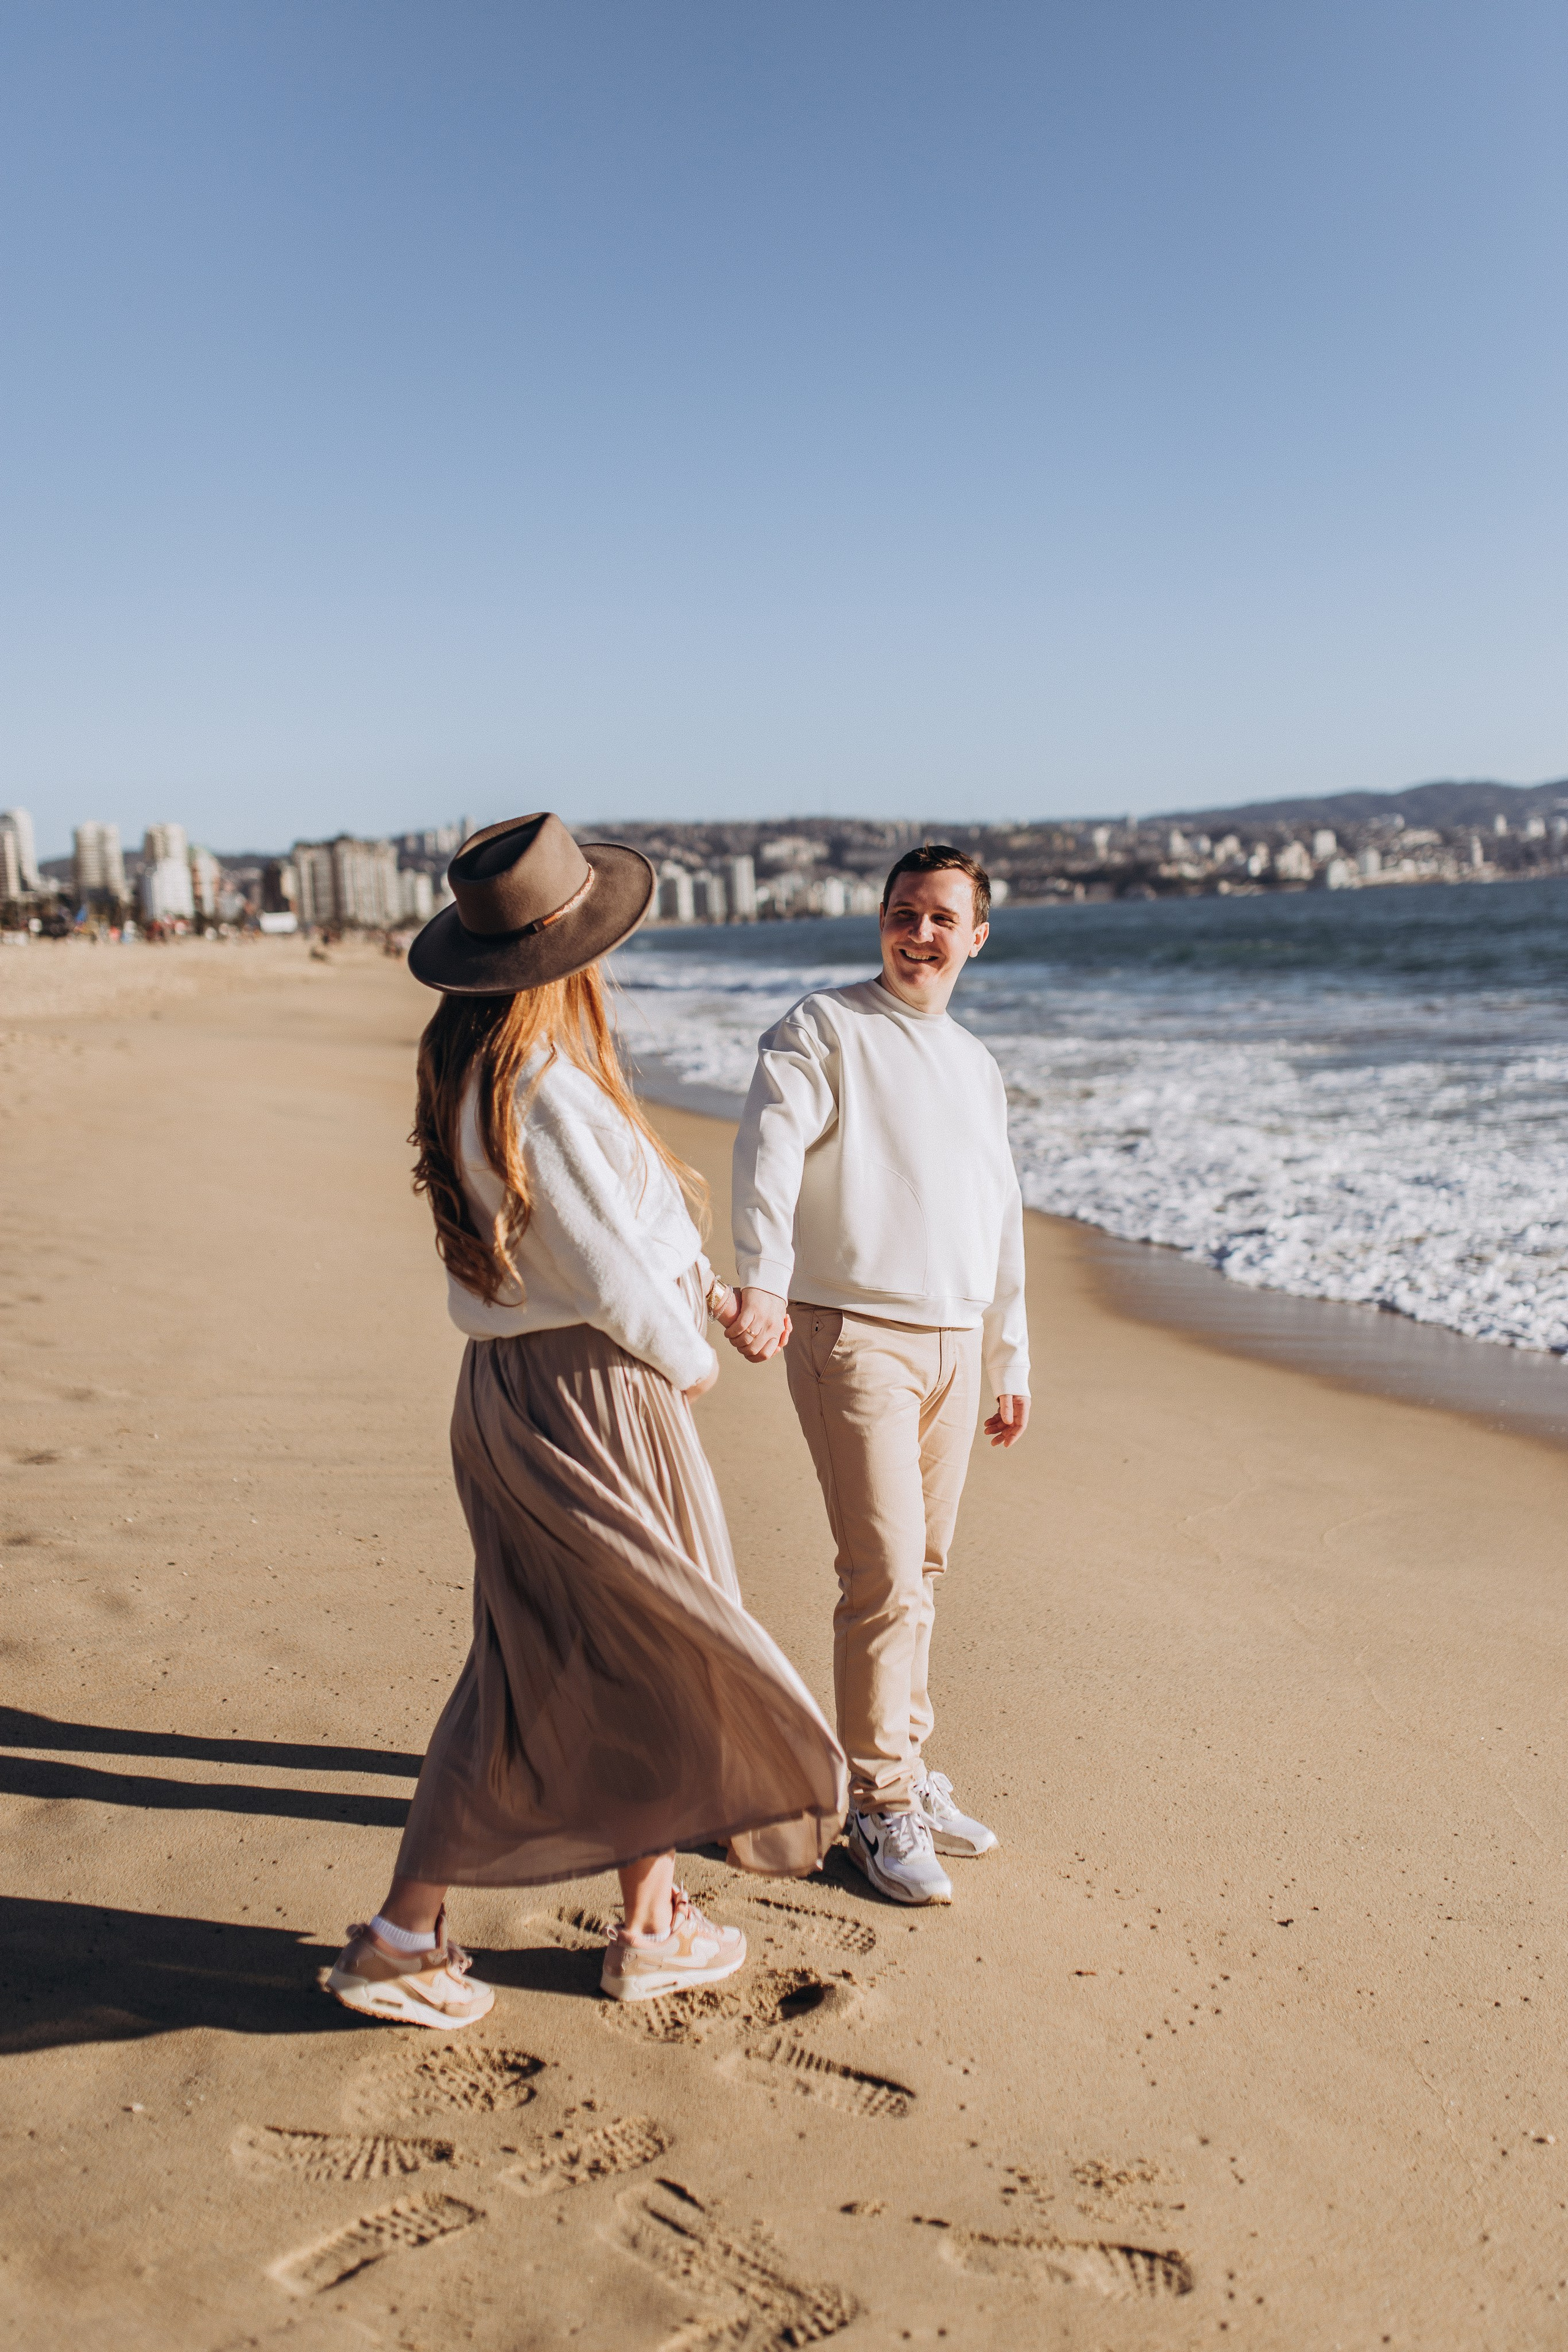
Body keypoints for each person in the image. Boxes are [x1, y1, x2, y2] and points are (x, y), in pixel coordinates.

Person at [325, 814, 846, 2029]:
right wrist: (688, 1356)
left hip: (520, 1390)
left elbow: (596, 1246)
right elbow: (608, 1271)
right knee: (650, 1651)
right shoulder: (542, 1086)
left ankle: (627, 1921)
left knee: (574, 1659)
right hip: (596, 1392)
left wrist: (701, 1291)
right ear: (564, 959)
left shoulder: (481, 1075)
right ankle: (426, 1935)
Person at [726, 844, 1029, 1907]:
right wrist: (761, 1279)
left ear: (977, 936)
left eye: (944, 917)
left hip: (952, 1341)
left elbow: (1001, 1215)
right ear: (883, 923)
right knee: (885, 1571)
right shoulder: (825, 1027)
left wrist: (1009, 1353)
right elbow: (768, 1145)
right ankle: (880, 1799)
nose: (921, 931)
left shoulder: (977, 1064)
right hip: (853, 1336)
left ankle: (901, 1761)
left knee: (924, 1571)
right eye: (905, 912)